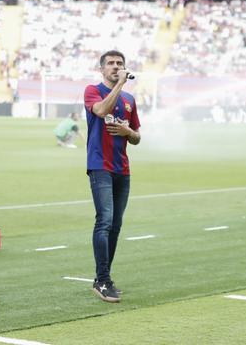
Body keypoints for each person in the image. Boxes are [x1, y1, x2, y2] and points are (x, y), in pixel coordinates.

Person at [83, 50, 141, 303]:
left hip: (122, 168)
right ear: (102, 69)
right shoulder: (92, 90)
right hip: (99, 166)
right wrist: (119, 84)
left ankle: (105, 277)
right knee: (104, 220)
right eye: (111, 64)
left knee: (116, 225)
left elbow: (137, 137)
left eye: (120, 64)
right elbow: (100, 110)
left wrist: (128, 130)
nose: (116, 67)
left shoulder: (129, 98)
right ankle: (102, 280)